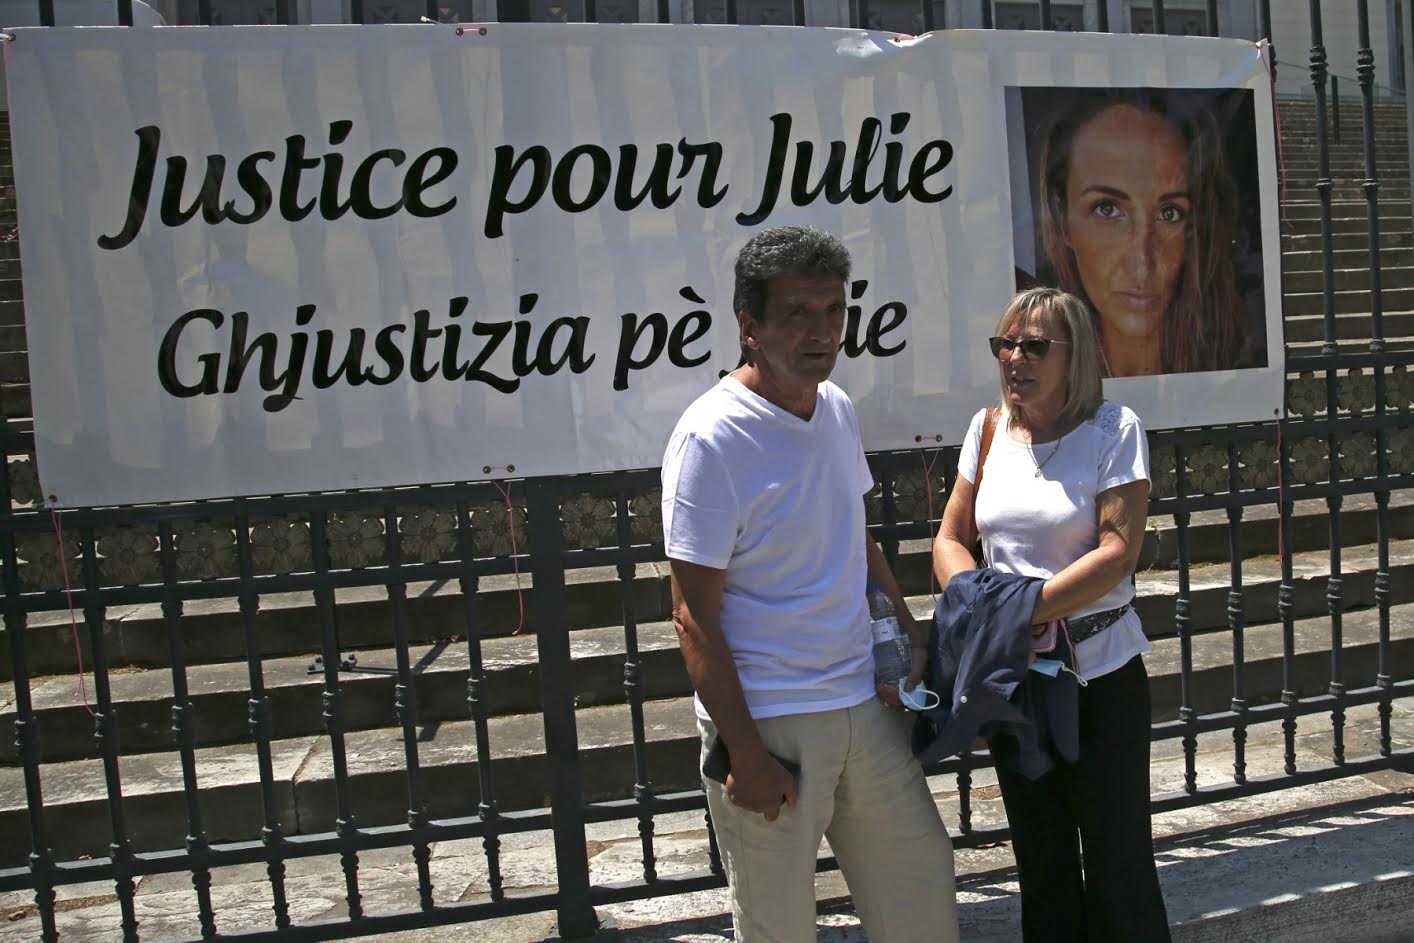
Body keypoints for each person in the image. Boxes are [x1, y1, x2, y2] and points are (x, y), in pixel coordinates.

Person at [661, 225, 959, 942]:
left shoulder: (835, 409)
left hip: (861, 703)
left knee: (920, 892)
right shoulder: (711, 438)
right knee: (779, 928)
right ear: (749, 326)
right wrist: (747, 755)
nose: (822, 331)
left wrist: (905, 631)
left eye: (834, 311)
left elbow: (852, 536)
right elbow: (691, 617)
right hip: (771, 719)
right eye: (798, 312)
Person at [932, 287, 1170, 941]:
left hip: (1101, 677)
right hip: (1021, 680)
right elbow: (949, 539)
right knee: (1043, 864)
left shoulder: (1112, 430)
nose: (1015, 358)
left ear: (1076, 356)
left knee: (1120, 865)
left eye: (1034, 346)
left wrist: (1021, 607)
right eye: (1005, 344)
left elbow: (1119, 550)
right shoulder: (984, 431)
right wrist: (985, 608)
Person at [1029, 88, 1255, 377]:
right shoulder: (1036, 376)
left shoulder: (1231, 368)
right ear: (1063, 223)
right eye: (1107, 209)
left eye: (1169, 213)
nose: (1142, 262)